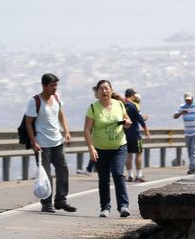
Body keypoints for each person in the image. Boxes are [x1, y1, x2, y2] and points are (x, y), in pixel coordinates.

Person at [23, 73, 75, 212]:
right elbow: (29, 123)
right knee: (45, 175)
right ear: (44, 86)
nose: (54, 88)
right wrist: (34, 142)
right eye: (52, 85)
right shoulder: (35, 101)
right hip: (42, 144)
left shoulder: (56, 98)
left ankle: (61, 200)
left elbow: (61, 115)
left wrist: (67, 132)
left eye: (56, 85)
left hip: (57, 142)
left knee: (63, 171)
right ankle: (46, 204)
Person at [82, 79, 132, 218]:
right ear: (97, 93)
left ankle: (123, 206)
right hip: (100, 148)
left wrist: (127, 123)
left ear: (111, 90)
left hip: (119, 146)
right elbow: (87, 130)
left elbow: (127, 121)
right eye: (101, 89)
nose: (104, 91)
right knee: (103, 178)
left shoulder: (119, 104)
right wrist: (91, 148)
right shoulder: (93, 108)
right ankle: (105, 208)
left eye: (106, 88)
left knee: (118, 173)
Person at [173, 91, 195, 174]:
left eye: (189, 100)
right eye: (186, 100)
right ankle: (194, 166)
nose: (188, 101)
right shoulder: (182, 106)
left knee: (194, 150)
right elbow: (175, 116)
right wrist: (182, 112)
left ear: (193, 98)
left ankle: (192, 168)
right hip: (188, 132)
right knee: (189, 151)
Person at [120, 88, 150, 182]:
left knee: (128, 154)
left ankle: (129, 175)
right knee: (138, 153)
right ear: (133, 96)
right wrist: (146, 129)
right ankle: (138, 175)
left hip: (124, 134)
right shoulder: (133, 106)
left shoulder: (121, 106)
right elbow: (139, 119)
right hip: (135, 134)